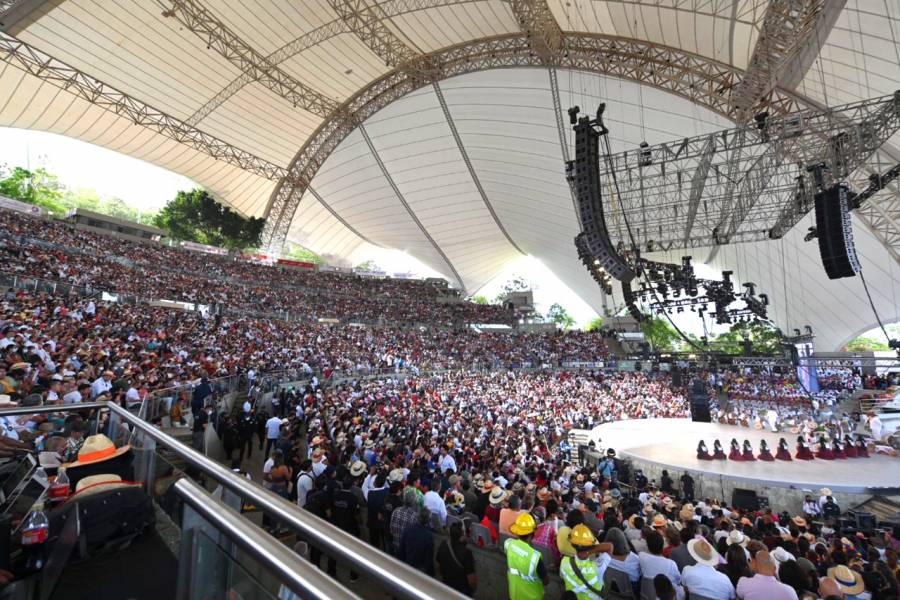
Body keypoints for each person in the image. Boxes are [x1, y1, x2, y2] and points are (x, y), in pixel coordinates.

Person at [559, 524, 613, 599]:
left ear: (572, 544)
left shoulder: (564, 562)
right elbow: (610, 546)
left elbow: (562, 578)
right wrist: (589, 551)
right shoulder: (597, 566)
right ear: (591, 545)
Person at [504, 512, 548, 600]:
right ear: (532, 533)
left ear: (517, 532)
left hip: (514, 595)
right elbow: (546, 581)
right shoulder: (535, 557)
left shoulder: (508, 544)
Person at [436, 522, 476, 596]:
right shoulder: (466, 553)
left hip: (446, 586)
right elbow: (471, 580)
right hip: (461, 591)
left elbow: (438, 566)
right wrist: (472, 590)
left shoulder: (443, 544)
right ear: (462, 535)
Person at [398, 507, 434, 576]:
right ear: (429, 520)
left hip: (406, 564)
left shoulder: (407, 529)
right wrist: (430, 573)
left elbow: (401, 550)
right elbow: (429, 558)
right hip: (419, 569)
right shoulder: (429, 536)